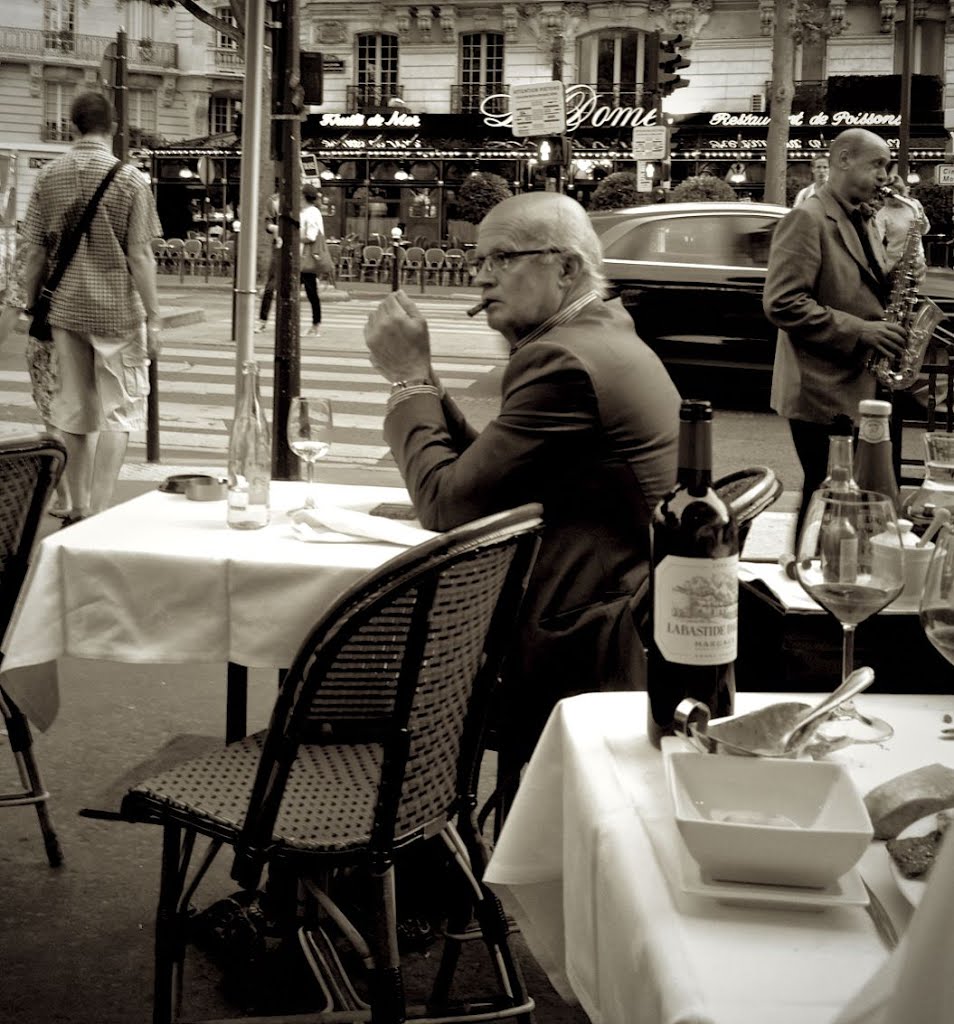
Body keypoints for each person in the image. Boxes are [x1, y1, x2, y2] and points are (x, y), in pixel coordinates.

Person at [363, 191, 681, 762]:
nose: (481, 278)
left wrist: (408, 380)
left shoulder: (562, 360)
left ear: (565, 268)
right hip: (618, 614)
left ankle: (395, 825)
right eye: (478, 260)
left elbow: (445, 504)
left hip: (574, 641)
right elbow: (490, 470)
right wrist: (426, 380)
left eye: (502, 259)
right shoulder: (595, 334)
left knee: (369, 684)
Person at [12, 90, 162, 523]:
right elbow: (141, 255)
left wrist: (31, 301)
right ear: (114, 128)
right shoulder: (132, 180)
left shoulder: (48, 177)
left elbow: (35, 251)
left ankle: (77, 505)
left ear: (72, 126)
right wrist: (154, 318)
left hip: (65, 310)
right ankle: (99, 509)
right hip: (117, 310)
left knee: (74, 410)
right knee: (120, 413)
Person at [764, 127, 906, 538]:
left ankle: (836, 574)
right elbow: (783, 303)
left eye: (887, 166)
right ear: (842, 160)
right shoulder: (806, 218)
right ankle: (806, 584)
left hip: (859, 383)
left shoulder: (865, 216)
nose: (886, 175)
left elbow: (867, 286)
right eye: (876, 164)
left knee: (848, 501)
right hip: (823, 390)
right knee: (824, 499)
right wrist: (862, 330)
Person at [876, 172, 930, 275]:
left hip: (917, 259)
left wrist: (922, 217)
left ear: (901, 192)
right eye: (888, 195)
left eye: (895, 192)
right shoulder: (883, 214)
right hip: (895, 262)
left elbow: (924, 231)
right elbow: (877, 240)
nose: (891, 198)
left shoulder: (914, 204)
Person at [255, 192, 282, 333]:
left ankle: (315, 324)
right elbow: (268, 223)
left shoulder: (301, 199)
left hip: (298, 246)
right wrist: (275, 228)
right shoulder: (274, 200)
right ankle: (262, 320)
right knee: (271, 286)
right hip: (280, 245)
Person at [300, 183, 324, 336]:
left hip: (306, 257)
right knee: (308, 291)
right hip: (302, 256)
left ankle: (316, 325)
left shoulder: (312, 212)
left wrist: (295, 237)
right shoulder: (305, 211)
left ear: (303, 196)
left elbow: (311, 236)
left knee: (311, 292)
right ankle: (314, 324)